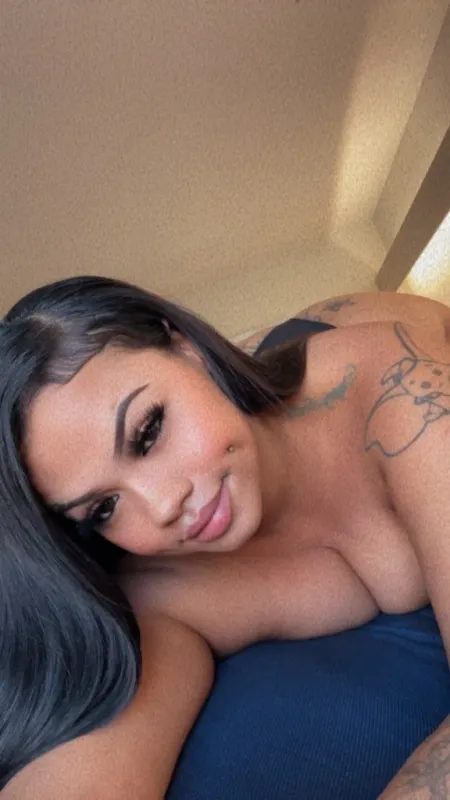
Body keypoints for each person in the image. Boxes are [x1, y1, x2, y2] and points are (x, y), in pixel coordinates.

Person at [1, 277, 450, 798]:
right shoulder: (162, 588)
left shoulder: (399, 391)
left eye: (148, 433)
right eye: (104, 508)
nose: (162, 505)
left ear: (184, 348)